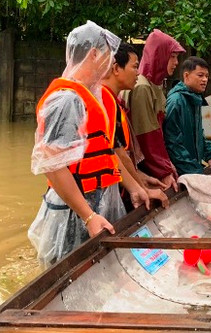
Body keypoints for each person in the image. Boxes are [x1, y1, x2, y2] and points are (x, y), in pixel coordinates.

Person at [28, 21, 148, 268]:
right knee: (66, 273)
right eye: (108, 55)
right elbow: (53, 165)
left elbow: (106, 151)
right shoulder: (65, 100)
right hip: (75, 213)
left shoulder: (96, 95)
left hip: (101, 200)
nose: (110, 63)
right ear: (94, 54)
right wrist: (89, 216)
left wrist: (132, 186)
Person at [101, 42, 169, 212]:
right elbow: (117, 153)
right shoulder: (105, 103)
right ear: (116, 69)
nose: (138, 73)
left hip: (118, 187)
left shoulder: (114, 102)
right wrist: (141, 188)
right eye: (134, 67)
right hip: (108, 193)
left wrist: (141, 177)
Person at [125, 30, 185, 191]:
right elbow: (146, 137)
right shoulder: (142, 87)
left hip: (147, 166)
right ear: (159, 55)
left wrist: (167, 165)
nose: (176, 62)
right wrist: (164, 171)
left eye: (177, 57)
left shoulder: (155, 85)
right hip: (142, 169)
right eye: (172, 56)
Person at [163, 56, 211, 175]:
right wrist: (194, 170)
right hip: (183, 171)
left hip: (192, 167)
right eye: (200, 75)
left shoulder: (194, 99)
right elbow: (172, 143)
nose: (205, 80)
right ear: (186, 76)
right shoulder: (176, 102)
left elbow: (199, 135)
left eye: (206, 76)